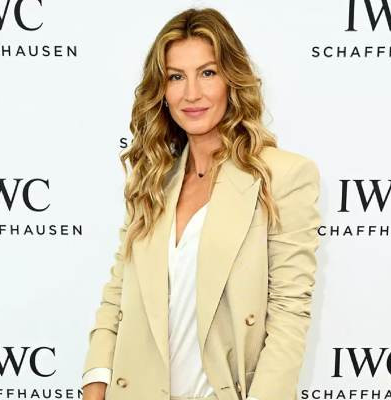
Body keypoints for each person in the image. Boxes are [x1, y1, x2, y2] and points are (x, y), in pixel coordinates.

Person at [81, 7, 321, 400]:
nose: (191, 93)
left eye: (207, 73)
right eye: (176, 77)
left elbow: (289, 314)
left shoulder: (281, 177)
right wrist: (95, 381)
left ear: (231, 79)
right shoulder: (153, 178)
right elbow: (118, 292)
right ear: (162, 90)